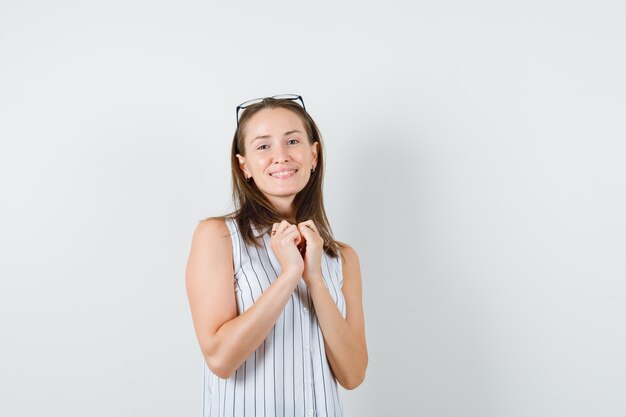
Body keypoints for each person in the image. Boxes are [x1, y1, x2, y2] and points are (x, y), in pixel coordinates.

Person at [185, 94, 368, 417]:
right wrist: (288, 276)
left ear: (313, 155)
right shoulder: (218, 237)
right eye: (263, 146)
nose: (281, 156)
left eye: (293, 141)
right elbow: (220, 359)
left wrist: (315, 279)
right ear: (245, 166)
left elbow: (352, 375)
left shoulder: (342, 257)